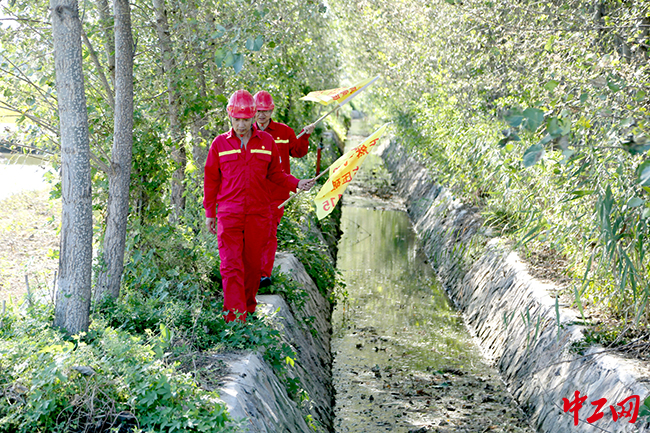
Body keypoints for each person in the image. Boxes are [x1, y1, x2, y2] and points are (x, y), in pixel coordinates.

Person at [203, 90, 315, 322]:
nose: (241, 125)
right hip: (229, 215)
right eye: (237, 119)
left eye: (246, 119)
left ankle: (249, 308)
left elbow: (277, 174)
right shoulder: (219, 144)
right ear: (230, 117)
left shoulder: (267, 142)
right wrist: (210, 213)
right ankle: (235, 319)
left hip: (258, 215)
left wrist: (297, 183)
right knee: (231, 265)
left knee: (253, 267)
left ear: (253, 116)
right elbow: (211, 179)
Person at [253, 91, 316, 288]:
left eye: (265, 111)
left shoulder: (284, 132)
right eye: (258, 111)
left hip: (277, 193)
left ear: (272, 111)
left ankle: (263, 275)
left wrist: (305, 135)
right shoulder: (245, 132)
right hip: (252, 193)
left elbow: (298, 151)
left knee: (269, 232)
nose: (261, 115)